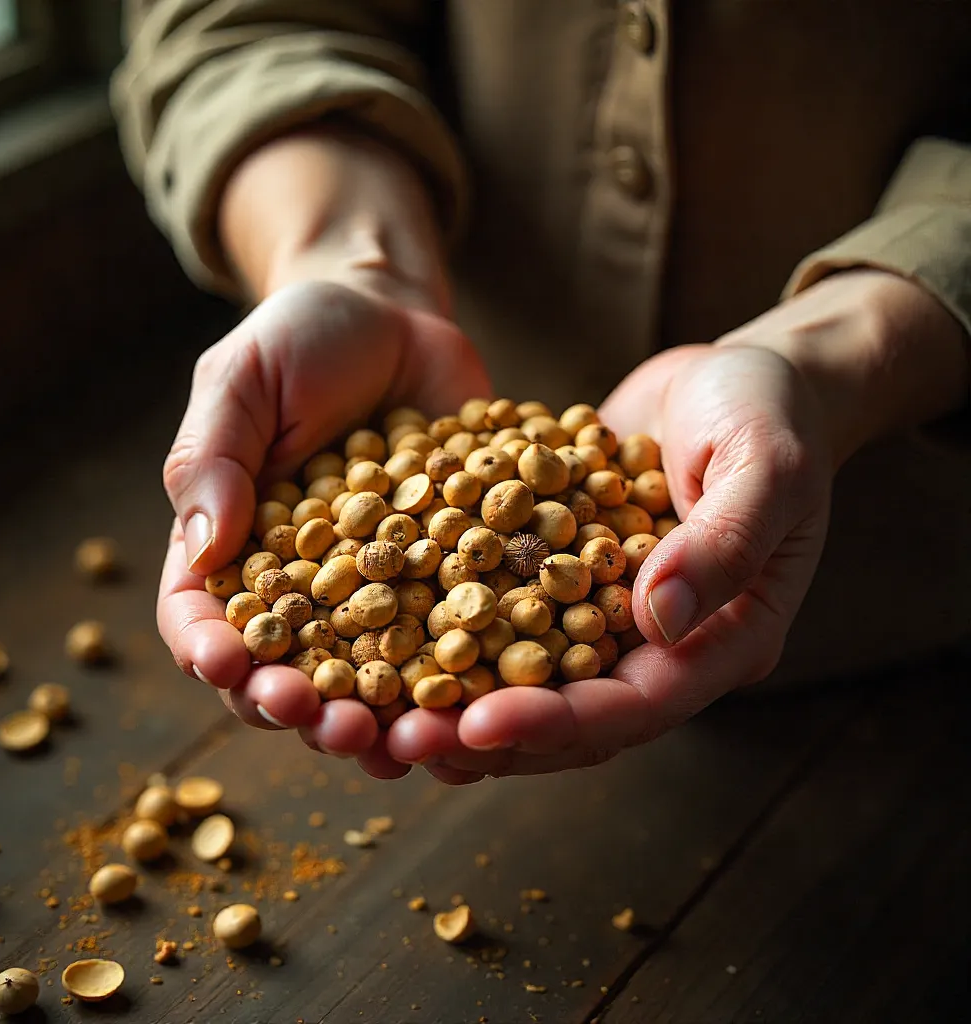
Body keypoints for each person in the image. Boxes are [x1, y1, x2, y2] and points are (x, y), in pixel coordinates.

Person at [112, 1, 971, 785]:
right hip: (443, 398)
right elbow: (244, 20)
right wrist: (348, 257)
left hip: (904, 606)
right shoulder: (420, 546)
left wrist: (845, 351)